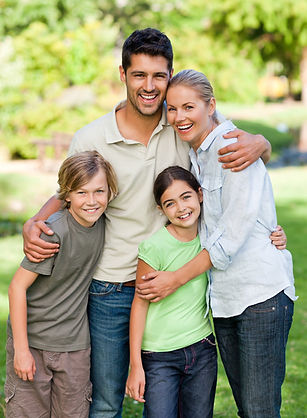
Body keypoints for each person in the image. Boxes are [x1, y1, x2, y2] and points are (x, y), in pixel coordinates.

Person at [22, 29, 281, 417]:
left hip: (176, 285)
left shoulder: (180, 123)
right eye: (139, 74)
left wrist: (262, 143)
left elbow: (229, 138)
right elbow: (67, 192)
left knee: (170, 398)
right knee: (107, 401)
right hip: (110, 288)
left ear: (170, 76)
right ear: (123, 74)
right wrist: (35, 221)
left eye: (159, 75)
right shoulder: (91, 137)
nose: (149, 86)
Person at [138, 69, 296, 417]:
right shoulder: (198, 150)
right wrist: (264, 142)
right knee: (247, 410)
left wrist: (174, 279)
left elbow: (231, 238)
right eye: (173, 108)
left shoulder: (231, 148)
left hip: (260, 296)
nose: (179, 117)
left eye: (189, 107)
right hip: (225, 300)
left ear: (211, 106)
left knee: (259, 411)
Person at [5, 151, 117, 418]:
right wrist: (21, 350)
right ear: (66, 196)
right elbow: (16, 287)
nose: (91, 201)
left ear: (110, 192)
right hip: (33, 343)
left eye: (99, 191)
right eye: (81, 193)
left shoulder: (103, 223)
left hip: (75, 346)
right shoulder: (52, 233)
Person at [126, 166, 217, 418]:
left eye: (186, 197)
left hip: (202, 348)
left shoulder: (210, 237)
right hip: (159, 357)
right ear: (161, 210)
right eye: (170, 203)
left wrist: (275, 236)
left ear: (199, 195)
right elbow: (140, 304)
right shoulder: (155, 247)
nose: (181, 208)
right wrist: (136, 365)